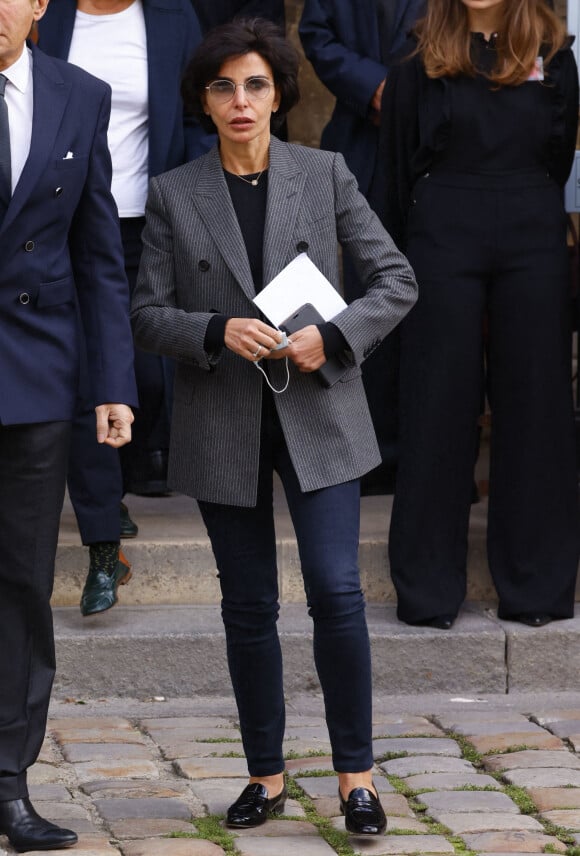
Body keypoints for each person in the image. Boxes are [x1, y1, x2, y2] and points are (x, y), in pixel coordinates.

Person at [131, 17, 417, 836]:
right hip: (222, 420)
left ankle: (357, 779)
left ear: (279, 93)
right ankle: (266, 774)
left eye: (255, 85)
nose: (241, 101)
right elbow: (145, 313)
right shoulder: (175, 192)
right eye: (224, 87)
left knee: (335, 592)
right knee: (248, 605)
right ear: (205, 101)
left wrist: (332, 335)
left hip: (320, 412)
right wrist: (214, 330)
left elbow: (396, 281)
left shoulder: (324, 175)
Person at [373, 0, 580, 629]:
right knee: (439, 402)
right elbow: (396, 162)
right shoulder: (417, 54)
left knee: (537, 404)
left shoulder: (553, 51)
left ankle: (537, 586)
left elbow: (559, 158)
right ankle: (430, 590)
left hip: (531, 224)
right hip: (443, 227)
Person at [0, 0, 136, 849]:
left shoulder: (79, 95)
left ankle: (7, 786)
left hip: (35, 375)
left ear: (38, 2)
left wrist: (112, 382)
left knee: (19, 586)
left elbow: (98, 256)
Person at [38, 0, 209, 615]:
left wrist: (188, 192)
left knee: (136, 370)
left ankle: (119, 487)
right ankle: (104, 532)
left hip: (143, 219)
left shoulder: (170, 19)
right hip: (59, 221)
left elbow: (193, 113)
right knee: (88, 374)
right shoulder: (47, 16)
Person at [299, 0, 425, 493]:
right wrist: (371, 85)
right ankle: (370, 454)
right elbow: (317, 34)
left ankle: (424, 451)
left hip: (438, 146)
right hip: (362, 143)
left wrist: (409, 94)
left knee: (434, 307)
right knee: (364, 302)